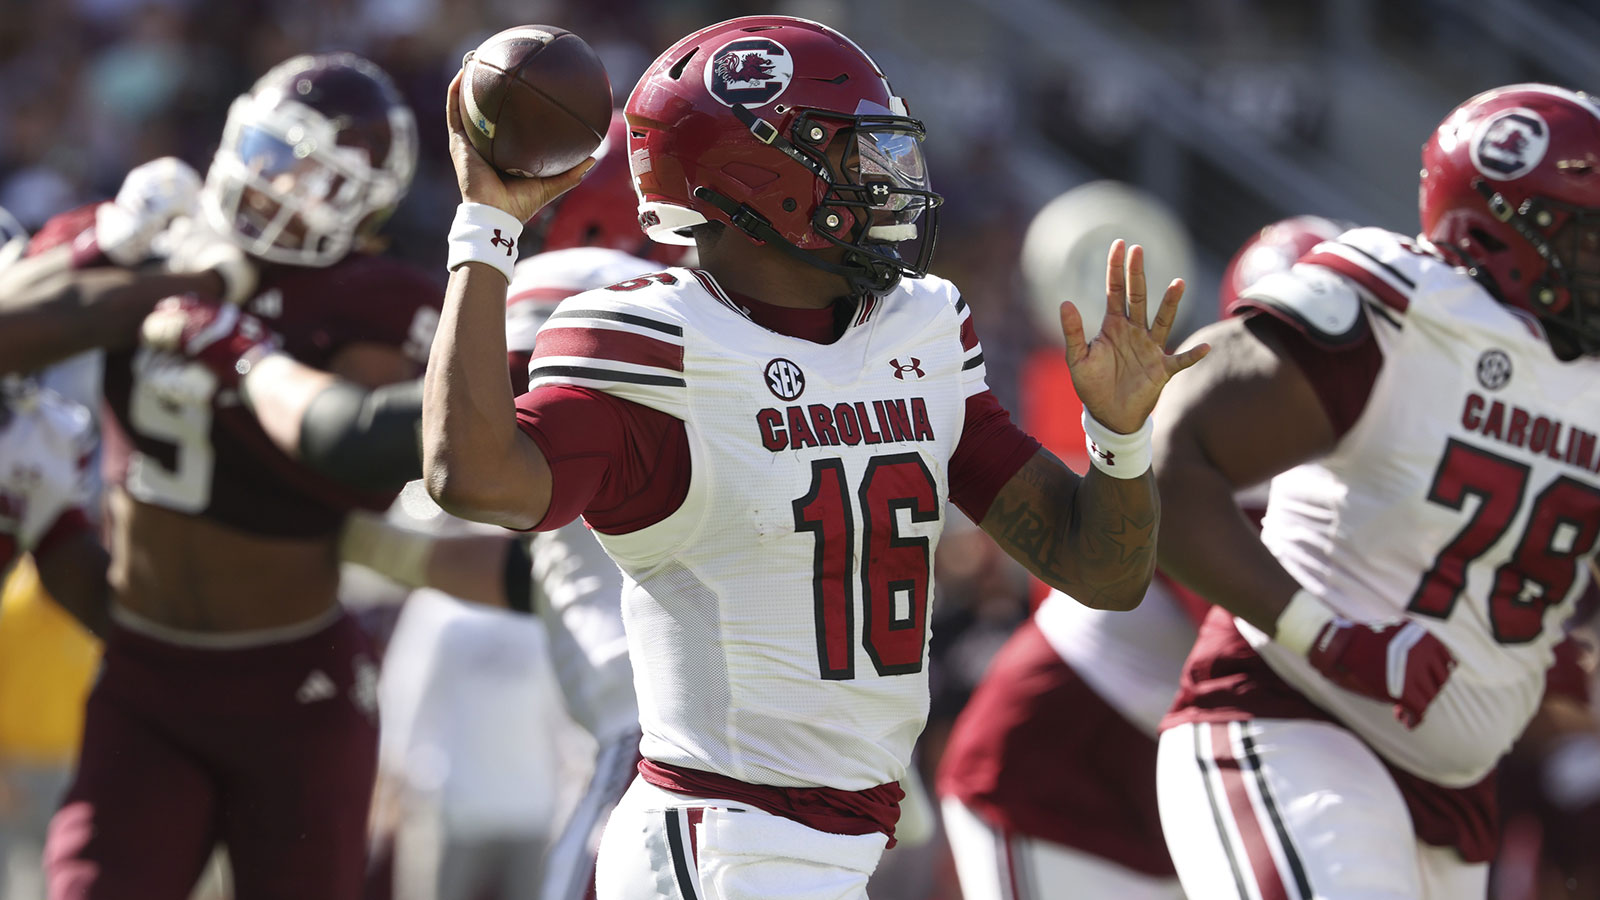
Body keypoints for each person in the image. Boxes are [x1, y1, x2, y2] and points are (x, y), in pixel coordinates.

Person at [423, 14, 1207, 899]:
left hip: (838, 838)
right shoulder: (657, 340)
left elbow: (1099, 569)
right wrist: (485, 229)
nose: (887, 183)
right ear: (763, 176)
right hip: (721, 836)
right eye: (855, 156)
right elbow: (473, 478)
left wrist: (1119, 437)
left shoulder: (920, 328)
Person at [0, 53, 440, 899]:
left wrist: (230, 322)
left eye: (318, 177)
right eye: (274, 151)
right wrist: (129, 249)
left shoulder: (369, 299)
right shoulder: (161, 236)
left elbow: (364, 447)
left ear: (368, 206)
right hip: (144, 671)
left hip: (293, 687)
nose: (279, 184)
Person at [1153, 83, 1600, 899]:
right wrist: (1329, 636)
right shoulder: (1406, 314)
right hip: (1294, 725)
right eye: (1595, 237)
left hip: (1458, 795)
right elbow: (1163, 459)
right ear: (1506, 233)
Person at [937, 214, 1345, 900]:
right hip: (1054, 785)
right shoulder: (1217, 456)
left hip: (1164, 803)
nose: (1313, 376)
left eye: (1336, 346)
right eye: (1284, 345)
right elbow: (1265, 655)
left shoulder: (1367, 466)